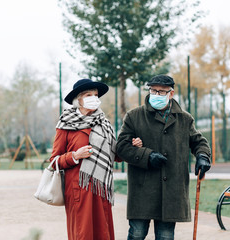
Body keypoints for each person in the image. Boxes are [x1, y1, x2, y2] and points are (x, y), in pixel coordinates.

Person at [116, 74, 211, 240]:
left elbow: (198, 141)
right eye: (153, 91)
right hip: (142, 189)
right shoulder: (134, 116)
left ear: (171, 93)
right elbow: (122, 147)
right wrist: (147, 155)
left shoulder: (185, 119)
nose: (156, 95)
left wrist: (203, 156)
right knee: (137, 234)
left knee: (166, 236)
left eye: (161, 92)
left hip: (171, 191)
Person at [49, 78, 118, 240]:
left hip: (100, 190)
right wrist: (74, 156)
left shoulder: (104, 124)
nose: (94, 98)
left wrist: (132, 144)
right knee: (82, 234)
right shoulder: (66, 124)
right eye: (88, 95)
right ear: (78, 100)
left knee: (103, 233)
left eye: (95, 94)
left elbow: (116, 155)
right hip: (79, 191)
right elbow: (54, 161)